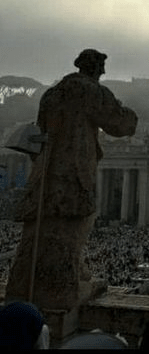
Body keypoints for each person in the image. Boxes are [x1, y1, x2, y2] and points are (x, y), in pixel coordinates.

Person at [6, 50, 138, 311]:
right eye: (102, 67)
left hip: (46, 169)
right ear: (95, 68)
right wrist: (130, 113)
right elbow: (121, 124)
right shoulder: (91, 91)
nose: (104, 72)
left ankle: (26, 282)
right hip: (75, 166)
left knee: (41, 224)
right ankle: (65, 279)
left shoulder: (51, 95)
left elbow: (39, 132)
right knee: (77, 219)